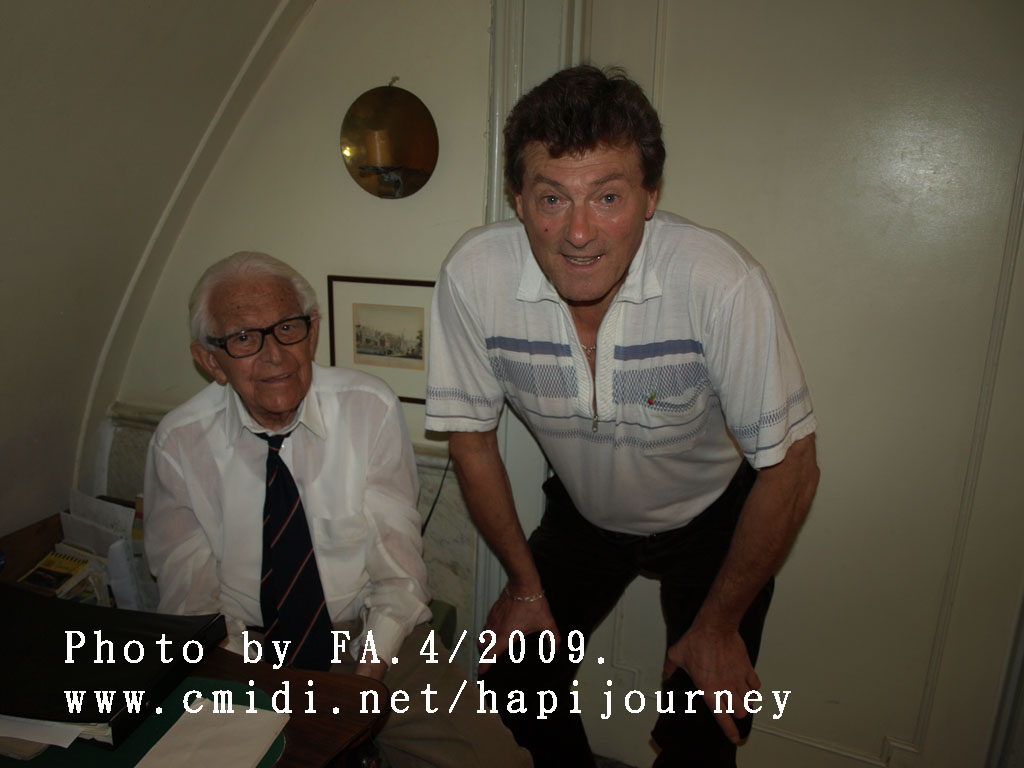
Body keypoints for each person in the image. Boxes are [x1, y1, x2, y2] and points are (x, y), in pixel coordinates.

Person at [425, 65, 820, 767]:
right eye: (552, 198)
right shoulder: (473, 277)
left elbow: (793, 466)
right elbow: (472, 443)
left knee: (707, 725)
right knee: (514, 681)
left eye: (607, 196)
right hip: (583, 515)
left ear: (650, 197)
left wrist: (719, 626)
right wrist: (524, 586)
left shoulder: (718, 280)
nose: (578, 232)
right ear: (518, 200)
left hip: (710, 519)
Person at [144, 251, 531, 768]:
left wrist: (366, 674)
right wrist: (253, 685)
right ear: (210, 360)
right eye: (243, 338)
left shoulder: (368, 408)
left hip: (373, 632)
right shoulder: (178, 443)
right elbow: (191, 605)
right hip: (244, 647)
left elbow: (397, 571)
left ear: (312, 333)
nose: (275, 355)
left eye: (287, 328)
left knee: (495, 761)